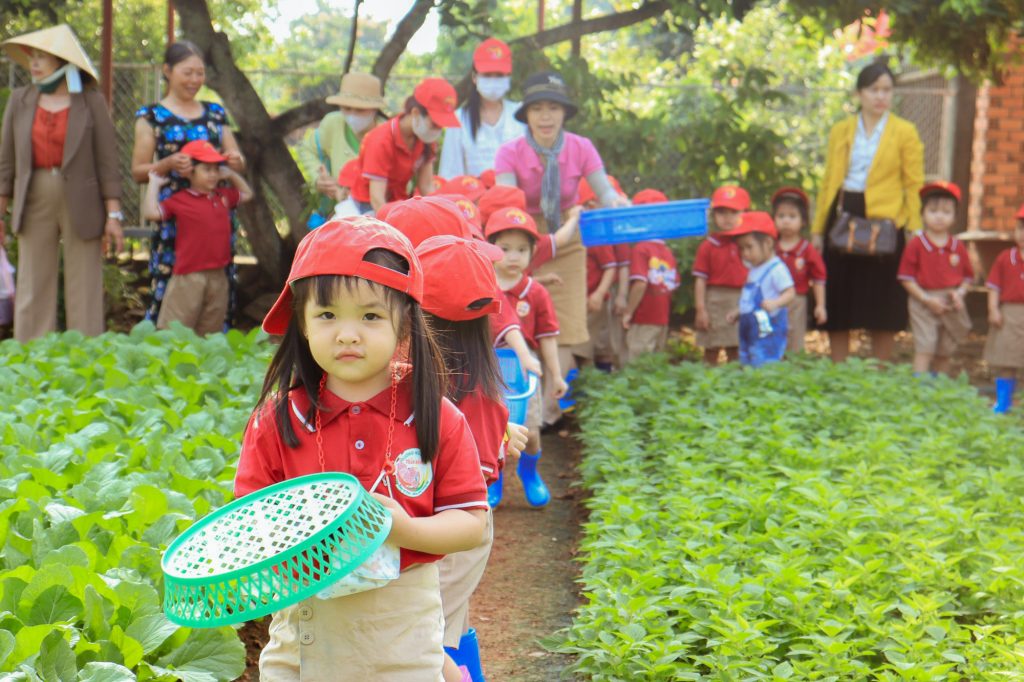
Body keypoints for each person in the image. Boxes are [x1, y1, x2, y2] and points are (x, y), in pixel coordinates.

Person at [236, 217, 488, 681]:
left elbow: (471, 523)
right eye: (327, 315)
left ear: (404, 324)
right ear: (303, 324)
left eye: (370, 316)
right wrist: (296, 535)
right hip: (303, 629)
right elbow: (248, 525)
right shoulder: (278, 421)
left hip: (401, 630)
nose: (347, 333)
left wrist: (402, 528)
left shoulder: (437, 418)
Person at [416, 235, 528, 682]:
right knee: (443, 625)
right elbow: (485, 462)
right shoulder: (477, 394)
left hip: (449, 530)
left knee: (425, 632)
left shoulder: (440, 394)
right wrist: (500, 441)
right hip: (447, 529)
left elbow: (470, 475)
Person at [495, 71, 628, 425]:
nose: (545, 116)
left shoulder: (581, 147)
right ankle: (510, 407)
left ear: (564, 113)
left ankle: (548, 414)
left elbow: (606, 193)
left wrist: (617, 203)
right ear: (527, 115)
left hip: (569, 237)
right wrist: (528, 251)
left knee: (565, 323)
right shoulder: (510, 152)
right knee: (514, 316)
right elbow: (506, 204)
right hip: (520, 236)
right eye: (537, 108)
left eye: (553, 107)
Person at [0, 24, 124, 343]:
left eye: (43, 57)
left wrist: (114, 216)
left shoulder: (91, 102)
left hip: (83, 198)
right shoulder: (20, 99)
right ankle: (31, 350)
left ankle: (84, 350)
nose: (35, 63)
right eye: (33, 57)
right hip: (33, 194)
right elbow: (6, 163)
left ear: (63, 62)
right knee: (32, 277)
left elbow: (107, 162)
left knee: (85, 278)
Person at [812, 60, 924, 363]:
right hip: (845, 213)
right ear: (859, 93)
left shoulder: (904, 131)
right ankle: (839, 369)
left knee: (883, 298)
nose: (880, 97)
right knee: (838, 292)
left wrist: (915, 227)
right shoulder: (841, 130)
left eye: (887, 90)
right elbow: (828, 181)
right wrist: (818, 229)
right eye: (874, 89)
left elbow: (913, 183)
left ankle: (880, 373)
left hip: (886, 220)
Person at [132, 41, 245, 325]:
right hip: (174, 222)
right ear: (167, 71)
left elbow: (238, 161)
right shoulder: (151, 117)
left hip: (214, 220)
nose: (195, 80)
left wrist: (232, 160)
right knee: (172, 295)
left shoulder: (216, 114)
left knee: (215, 297)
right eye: (187, 72)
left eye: (200, 73)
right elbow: (138, 171)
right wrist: (168, 164)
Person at [486, 206, 568, 508]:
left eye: (522, 249)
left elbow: (548, 336)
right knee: (490, 432)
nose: (513, 256)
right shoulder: (481, 285)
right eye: (505, 248)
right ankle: (493, 480)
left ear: (533, 251)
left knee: (529, 433)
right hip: (487, 365)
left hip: (524, 369)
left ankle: (529, 471)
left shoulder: (536, 293)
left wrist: (556, 374)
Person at [142, 141, 253, 335]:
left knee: (210, 330)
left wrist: (232, 174)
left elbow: (248, 194)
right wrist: (154, 184)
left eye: (216, 169)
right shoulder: (181, 199)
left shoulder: (222, 196)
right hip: (188, 275)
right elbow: (151, 213)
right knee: (175, 331)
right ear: (190, 172)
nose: (213, 174)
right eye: (206, 169)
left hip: (219, 275)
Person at [896, 181, 973, 377]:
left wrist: (960, 294)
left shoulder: (958, 246)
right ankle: (920, 388)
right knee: (925, 346)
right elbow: (906, 278)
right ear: (922, 214)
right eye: (933, 210)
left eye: (946, 212)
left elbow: (968, 277)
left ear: (955, 216)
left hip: (950, 301)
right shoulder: (916, 244)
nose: (939, 216)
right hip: (923, 300)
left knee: (945, 350)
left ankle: (940, 389)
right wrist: (926, 299)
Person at [350, 78, 460, 213]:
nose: (437, 131)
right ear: (415, 113)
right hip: (367, 206)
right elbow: (377, 199)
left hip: (398, 203)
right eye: (435, 124)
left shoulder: (425, 139)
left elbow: (427, 187)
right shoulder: (381, 140)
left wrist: (440, 213)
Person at [297, 72, 386, 222]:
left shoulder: (387, 135)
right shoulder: (333, 123)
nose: (352, 114)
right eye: (346, 108)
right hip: (339, 212)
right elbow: (307, 150)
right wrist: (318, 178)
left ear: (375, 109)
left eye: (360, 110)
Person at [439, 38, 525, 178]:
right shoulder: (459, 119)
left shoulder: (520, 114)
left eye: (499, 75)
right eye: (487, 75)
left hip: (516, 197)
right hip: (472, 197)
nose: (493, 80)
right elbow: (450, 173)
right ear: (474, 77)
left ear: (508, 77)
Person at [724, 212, 795, 367]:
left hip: (767, 326)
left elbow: (790, 292)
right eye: (741, 249)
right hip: (748, 325)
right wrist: (738, 311)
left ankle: (765, 386)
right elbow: (748, 297)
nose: (745, 254)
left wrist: (776, 303)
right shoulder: (754, 269)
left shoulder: (776, 269)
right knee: (746, 354)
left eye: (749, 247)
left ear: (768, 242)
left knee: (764, 357)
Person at [693, 185, 749, 365]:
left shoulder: (749, 243)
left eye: (734, 212)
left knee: (737, 347)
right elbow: (700, 279)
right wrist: (701, 309)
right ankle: (708, 385)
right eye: (722, 212)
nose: (728, 218)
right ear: (714, 216)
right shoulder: (708, 245)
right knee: (711, 346)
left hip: (741, 299)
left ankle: (736, 385)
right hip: (715, 299)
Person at [622, 189, 680, 362]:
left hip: (643, 316)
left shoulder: (641, 249)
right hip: (662, 318)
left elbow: (640, 284)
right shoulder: (667, 252)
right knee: (656, 364)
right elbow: (672, 286)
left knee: (637, 363)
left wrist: (628, 312)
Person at [772, 187, 827, 353]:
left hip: (797, 300)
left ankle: (794, 370)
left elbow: (819, 278)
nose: (786, 221)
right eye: (781, 216)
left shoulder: (807, 249)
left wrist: (820, 305)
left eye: (792, 216)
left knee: (795, 337)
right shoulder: (769, 248)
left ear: (803, 221)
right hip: (772, 300)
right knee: (772, 337)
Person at [986, 204, 1024, 414]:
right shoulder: (1005, 258)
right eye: (1021, 228)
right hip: (1009, 314)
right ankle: (1003, 402)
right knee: (1006, 360)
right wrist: (994, 309)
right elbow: (994, 286)